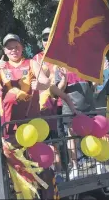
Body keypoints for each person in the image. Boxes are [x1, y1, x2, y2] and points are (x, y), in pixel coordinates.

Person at [0, 33, 78, 137]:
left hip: (31, 119)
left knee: (34, 150)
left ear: (22, 48)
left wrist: (40, 85)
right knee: (10, 151)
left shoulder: (31, 63)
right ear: (4, 50)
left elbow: (46, 82)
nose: (13, 50)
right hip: (9, 121)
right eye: (9, 48)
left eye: (16, 47)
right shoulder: (0, 68)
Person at [32, 27, 63, 180]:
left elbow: (63, 82)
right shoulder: (36, 59)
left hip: (61, 102)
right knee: (47, 140)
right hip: (45, 104)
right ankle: (49, 173)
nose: (47, 41)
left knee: (57, 140)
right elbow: (38, 82)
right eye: (44, 38)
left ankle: (60, 173)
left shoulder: (62, 57)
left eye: (50, 37)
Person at [55, 66, 96, 180]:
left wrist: (95, 83)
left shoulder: (84, 65)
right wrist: (64, 79)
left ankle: (98, 162)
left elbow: (92, 89)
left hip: (88, 107)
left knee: (93, 134)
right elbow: (59, 90)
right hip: (70, 108)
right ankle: (74, 167)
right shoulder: (60, 67)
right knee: (72, 137)